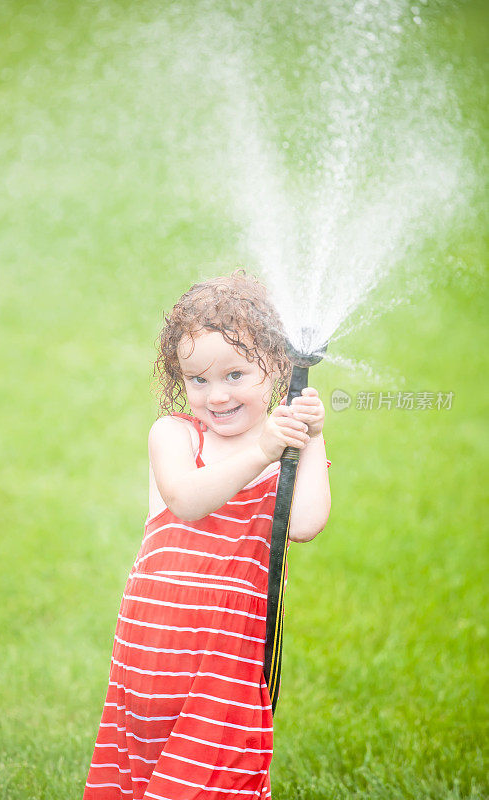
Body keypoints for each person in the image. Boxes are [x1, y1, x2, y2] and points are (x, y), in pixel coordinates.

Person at [83, 271, 331, 799]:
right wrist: (264, 449)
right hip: (158, 648)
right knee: (150, 770)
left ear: (280, 369)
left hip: (231, 657)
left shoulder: (284, 452)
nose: (216, 395)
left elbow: (305, 523)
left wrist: (309, 438)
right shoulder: (173, 435)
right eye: (198, 380)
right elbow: (187, 501)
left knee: (218, 778)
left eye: (236, 375)